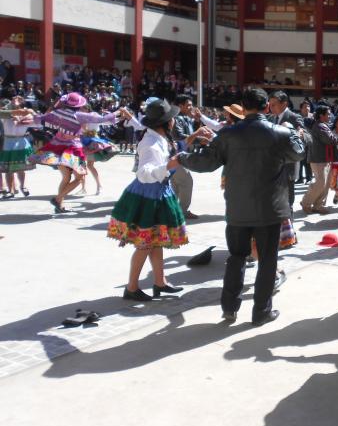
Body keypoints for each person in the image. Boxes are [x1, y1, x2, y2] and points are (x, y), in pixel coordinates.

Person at [172, 88, 305, 325]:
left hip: (238, 208)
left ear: (243, 109)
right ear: (266, 108)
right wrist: (296, 134)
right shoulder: (280, 132)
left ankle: (229, 307)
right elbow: (299, 153)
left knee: (236, 257)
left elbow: (205, 163)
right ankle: (261, 311)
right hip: (270, 209)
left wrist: (182, 157)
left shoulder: (228, 134)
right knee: (267, 261)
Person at [107, 99, 188, 302]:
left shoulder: (159, 138)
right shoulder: (150, 143)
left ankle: (160, 282)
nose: (174, 122)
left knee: (155, 241)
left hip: (158, 193)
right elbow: (143, 174)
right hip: (148, 196)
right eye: (172, 119)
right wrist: (168, 166)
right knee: (144, 244)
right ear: (166, 123)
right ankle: (132, 287)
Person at [29, 92, 126, 213]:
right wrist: (118, 112)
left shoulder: (57, 113)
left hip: (58, 146)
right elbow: (103, 119)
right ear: (78, 105)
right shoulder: (79, 115)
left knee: (65, 178)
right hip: (73, 149)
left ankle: (60, 204)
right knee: (79, 177)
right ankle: (58, 199)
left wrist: (25, 115)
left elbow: (39, 119)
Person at [301, 105, 338, 214]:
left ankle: (318, 205)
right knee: (320, 183)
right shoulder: (320, 126)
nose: (330, 116)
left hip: (325, 158)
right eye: (328, 114)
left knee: (325, 184)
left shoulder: (323, 125)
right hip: (318, 159)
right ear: (321, 115)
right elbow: (330, 139)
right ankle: (306, 202)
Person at [0, 98, 36, 197]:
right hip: (8, 142)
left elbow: (38, 121)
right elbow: (3, 112)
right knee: (8, 169)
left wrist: (31, 112)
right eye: (13, 101)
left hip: (21, 142)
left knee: (21, 168)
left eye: (18, 101)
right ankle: (10, 191)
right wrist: (12, 106)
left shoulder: (27, 115)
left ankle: (22, 186)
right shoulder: (5, 115)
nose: (15, 102)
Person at [171, 95, 200, 219]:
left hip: (182, 156)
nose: (191, 107)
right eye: (188, 105)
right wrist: (198, 139)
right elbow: (178, 135)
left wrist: (198, 121)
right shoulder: (176, 118)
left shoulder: (186, 118)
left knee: (175, 185)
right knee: (187, 181)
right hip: (176, 156)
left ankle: (171, 211)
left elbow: (192, 133)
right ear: (180, 106)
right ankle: (182, 211)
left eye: (191, 105)